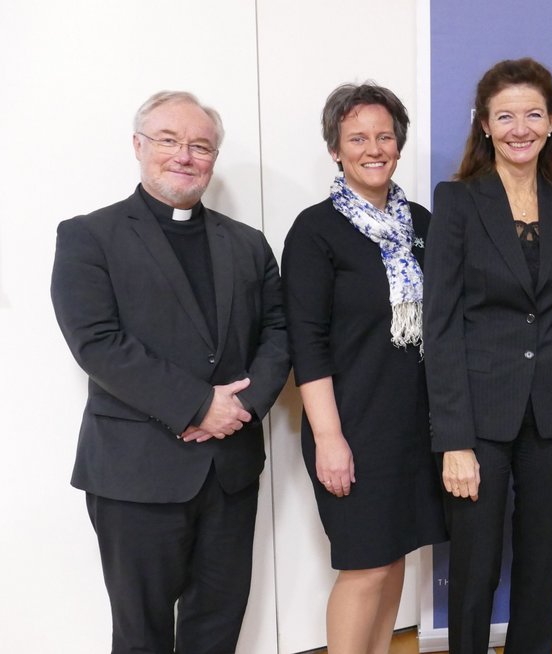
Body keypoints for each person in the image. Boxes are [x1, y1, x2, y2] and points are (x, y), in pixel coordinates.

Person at [50, 91, 290, 653]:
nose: (184, 155)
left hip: (230, 471)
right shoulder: (89, 236)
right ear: (138, 146)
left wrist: (240, 410)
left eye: (200, 145)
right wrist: (198, 404)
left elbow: (278, 335)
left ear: (213, 158)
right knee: (142, 636)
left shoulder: (248, 245)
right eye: (168, 140)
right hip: (135, 475)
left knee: (218, 626)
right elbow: (97, 343)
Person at [423, 57, 552, 654]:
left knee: (540, 565)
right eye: (505, 116)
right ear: (484, 124)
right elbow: (441, 323)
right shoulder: (456, 201)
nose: (519, 127)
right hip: (479, 419)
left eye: (533, 114)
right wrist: (453, 438)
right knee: (474, 570)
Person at [281, 82, 446, 654]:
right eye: (357, 137)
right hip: (351, 427)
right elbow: (308, 342)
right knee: (364, 568)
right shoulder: (314, 231)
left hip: (413, 425)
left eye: (384, 135)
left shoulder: (422, 224)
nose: (373, 147)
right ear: (336, 149)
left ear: (398, 143)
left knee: (394, 557)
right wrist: (329, 439)